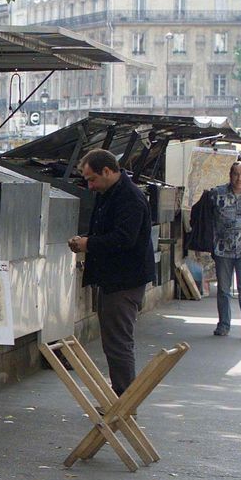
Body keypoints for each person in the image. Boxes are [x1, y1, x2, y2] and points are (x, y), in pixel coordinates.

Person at [67, 149, 156, 395]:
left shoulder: (129, 197)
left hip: (124, 280)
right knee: (114, 341)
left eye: (92, 178)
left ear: (107, 171)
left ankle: (125, 400)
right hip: (113, 278)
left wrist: (88, 244)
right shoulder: (110, 193)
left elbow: (123, 238)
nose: (90, 185)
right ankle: (123, 395)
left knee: (118, 343)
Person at [207, 161, 241, 338]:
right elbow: (209, 217)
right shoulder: (217, 194)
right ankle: (223, 325)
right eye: (236, 174)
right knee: (224, 289)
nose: (239, 178)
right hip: (223, 249)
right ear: (230, 175)